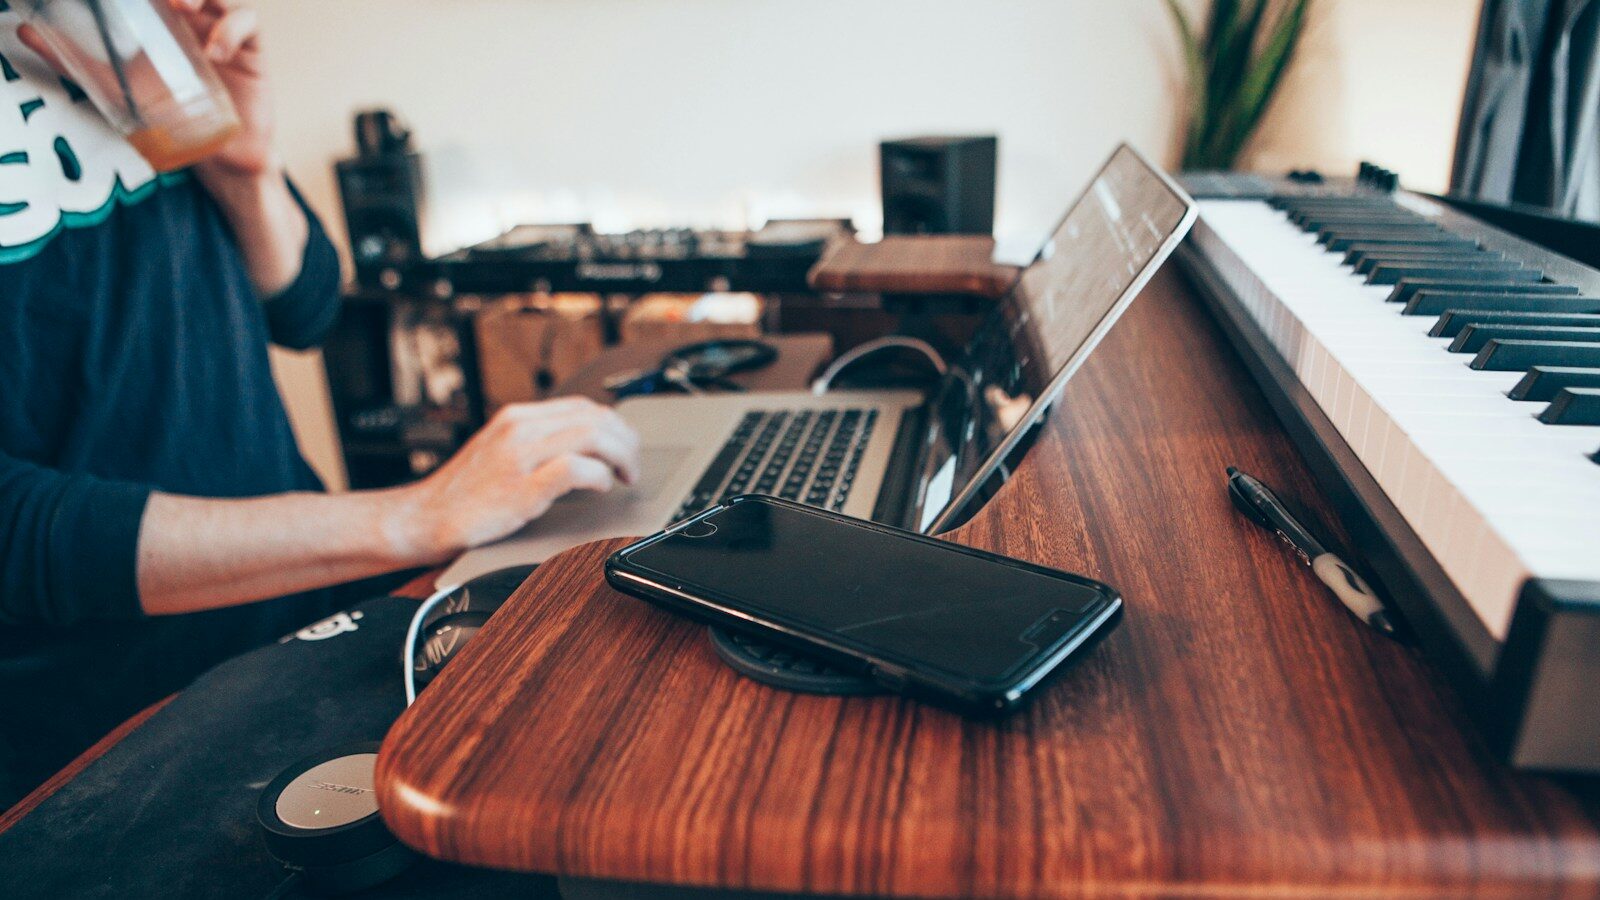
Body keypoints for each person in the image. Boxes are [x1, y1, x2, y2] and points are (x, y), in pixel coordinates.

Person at [0, 0, 641, 808]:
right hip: (106, 732)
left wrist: (248, 169)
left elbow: (303, 306)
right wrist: (412, 516)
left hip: (303, 621)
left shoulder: (101, 22)